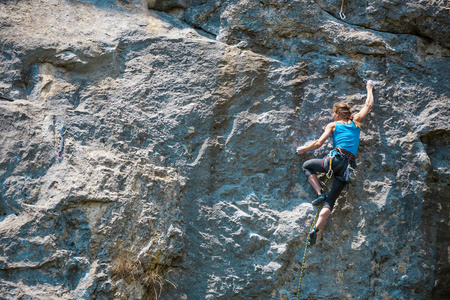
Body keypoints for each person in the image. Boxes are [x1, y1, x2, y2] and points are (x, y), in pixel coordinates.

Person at [296, 80, 374, 245]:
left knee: (307, 166)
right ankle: (315, 228)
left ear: (337, 114)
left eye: (333, 113)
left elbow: (318, 143)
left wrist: (304, 149)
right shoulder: (356, 122)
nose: (332, 116)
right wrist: (369, 88)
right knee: (331, 201)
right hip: (349, 168)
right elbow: (368, 105)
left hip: (335, 160)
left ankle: (319, 193)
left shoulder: (333, 125)